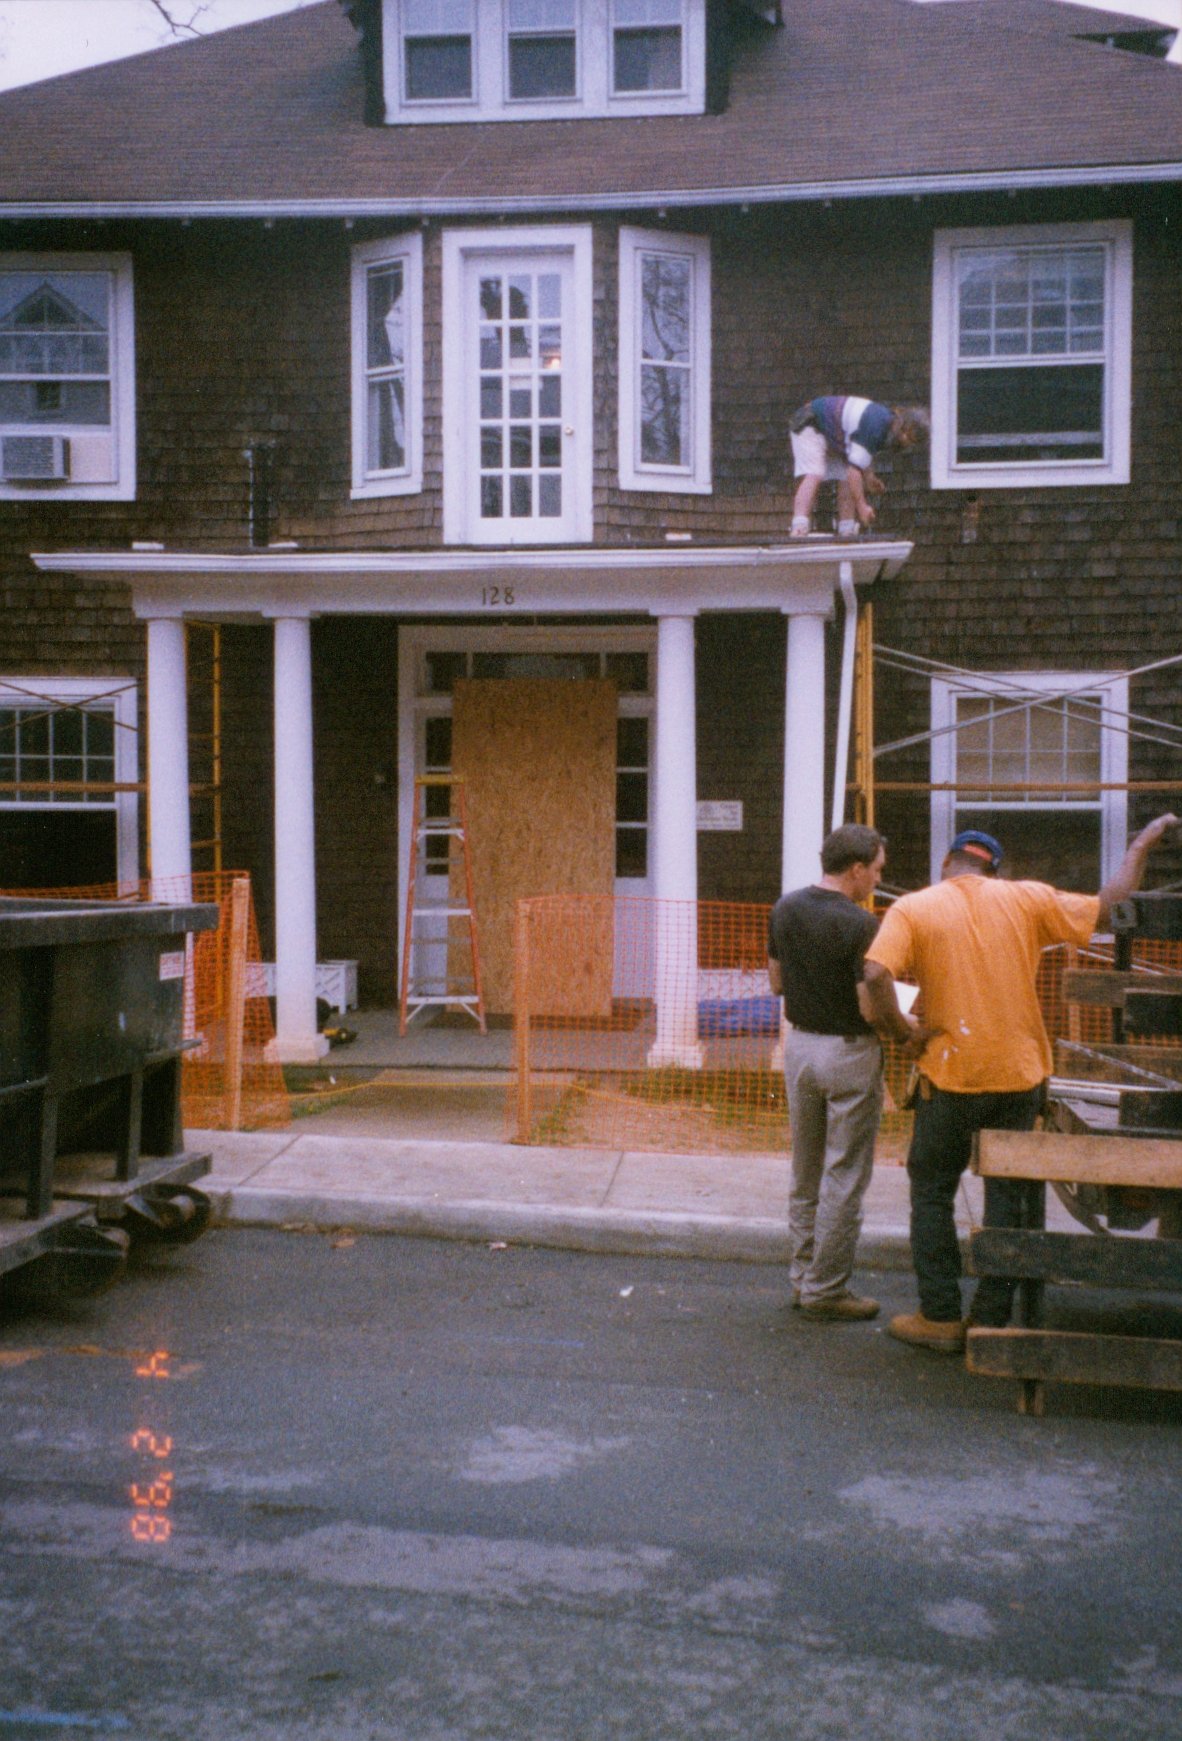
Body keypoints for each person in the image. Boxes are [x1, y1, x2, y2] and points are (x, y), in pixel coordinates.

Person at [860, 815, 1180, 1354]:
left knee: (933, 1190)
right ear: (995, 870)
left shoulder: (914, 906)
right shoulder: (1027, 899)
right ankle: (992, 1318)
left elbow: (873, 976)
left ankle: (939, 1317)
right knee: (1008, 1195)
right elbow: (1110, 901)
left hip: (951, 1076)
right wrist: (1141, 845)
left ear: (947, 865)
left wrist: (904, 1035)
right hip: (1018, 1075)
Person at [767, 823, 900, 1321]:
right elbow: (870, 1007)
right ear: (857, 868)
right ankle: (827, 1289)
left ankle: (803, 1277)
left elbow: (776, 981)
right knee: (844, 1175)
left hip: (799, 1047)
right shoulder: (862, 925)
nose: (878, 881)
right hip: (848, 1051)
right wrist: (903, 1024)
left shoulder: (786, 907)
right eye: (878, 871)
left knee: (805, 1169)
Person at [789, 396, 928, 538]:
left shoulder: (886, 426)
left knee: (846, 478)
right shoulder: (876, 425)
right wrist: (862, 507)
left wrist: (869, 478)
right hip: (811, 421)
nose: (904, 438)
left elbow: (862, 453)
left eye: (910, 439)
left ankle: (846, 529)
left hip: (836, 433)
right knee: (815, 473)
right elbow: (854, 471)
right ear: (900, 421)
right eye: (905, 432)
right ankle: (799, 526)